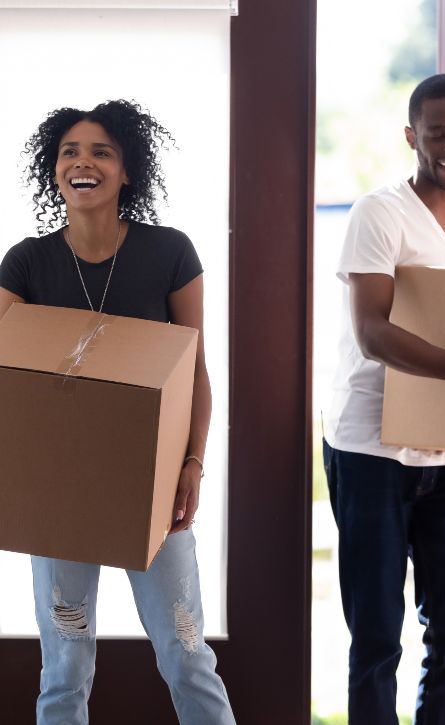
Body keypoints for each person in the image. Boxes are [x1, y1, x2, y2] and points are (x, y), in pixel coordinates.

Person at [0, 100, 236, 725]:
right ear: (54, 170)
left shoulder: (170, 253)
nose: (84, 162)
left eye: (102, 151)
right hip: (59, 491)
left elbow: (196, 372)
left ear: (127, 170)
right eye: (71, 152)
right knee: (66, 668)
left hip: (151, 488)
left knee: (186, 654)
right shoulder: (26, 263)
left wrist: (192, 462)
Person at [323, 74, 445, 724]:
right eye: (438, 133)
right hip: (372, 448)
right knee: (376, 637)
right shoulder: (378, 213)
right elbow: (372, 331)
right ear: (412, 136)